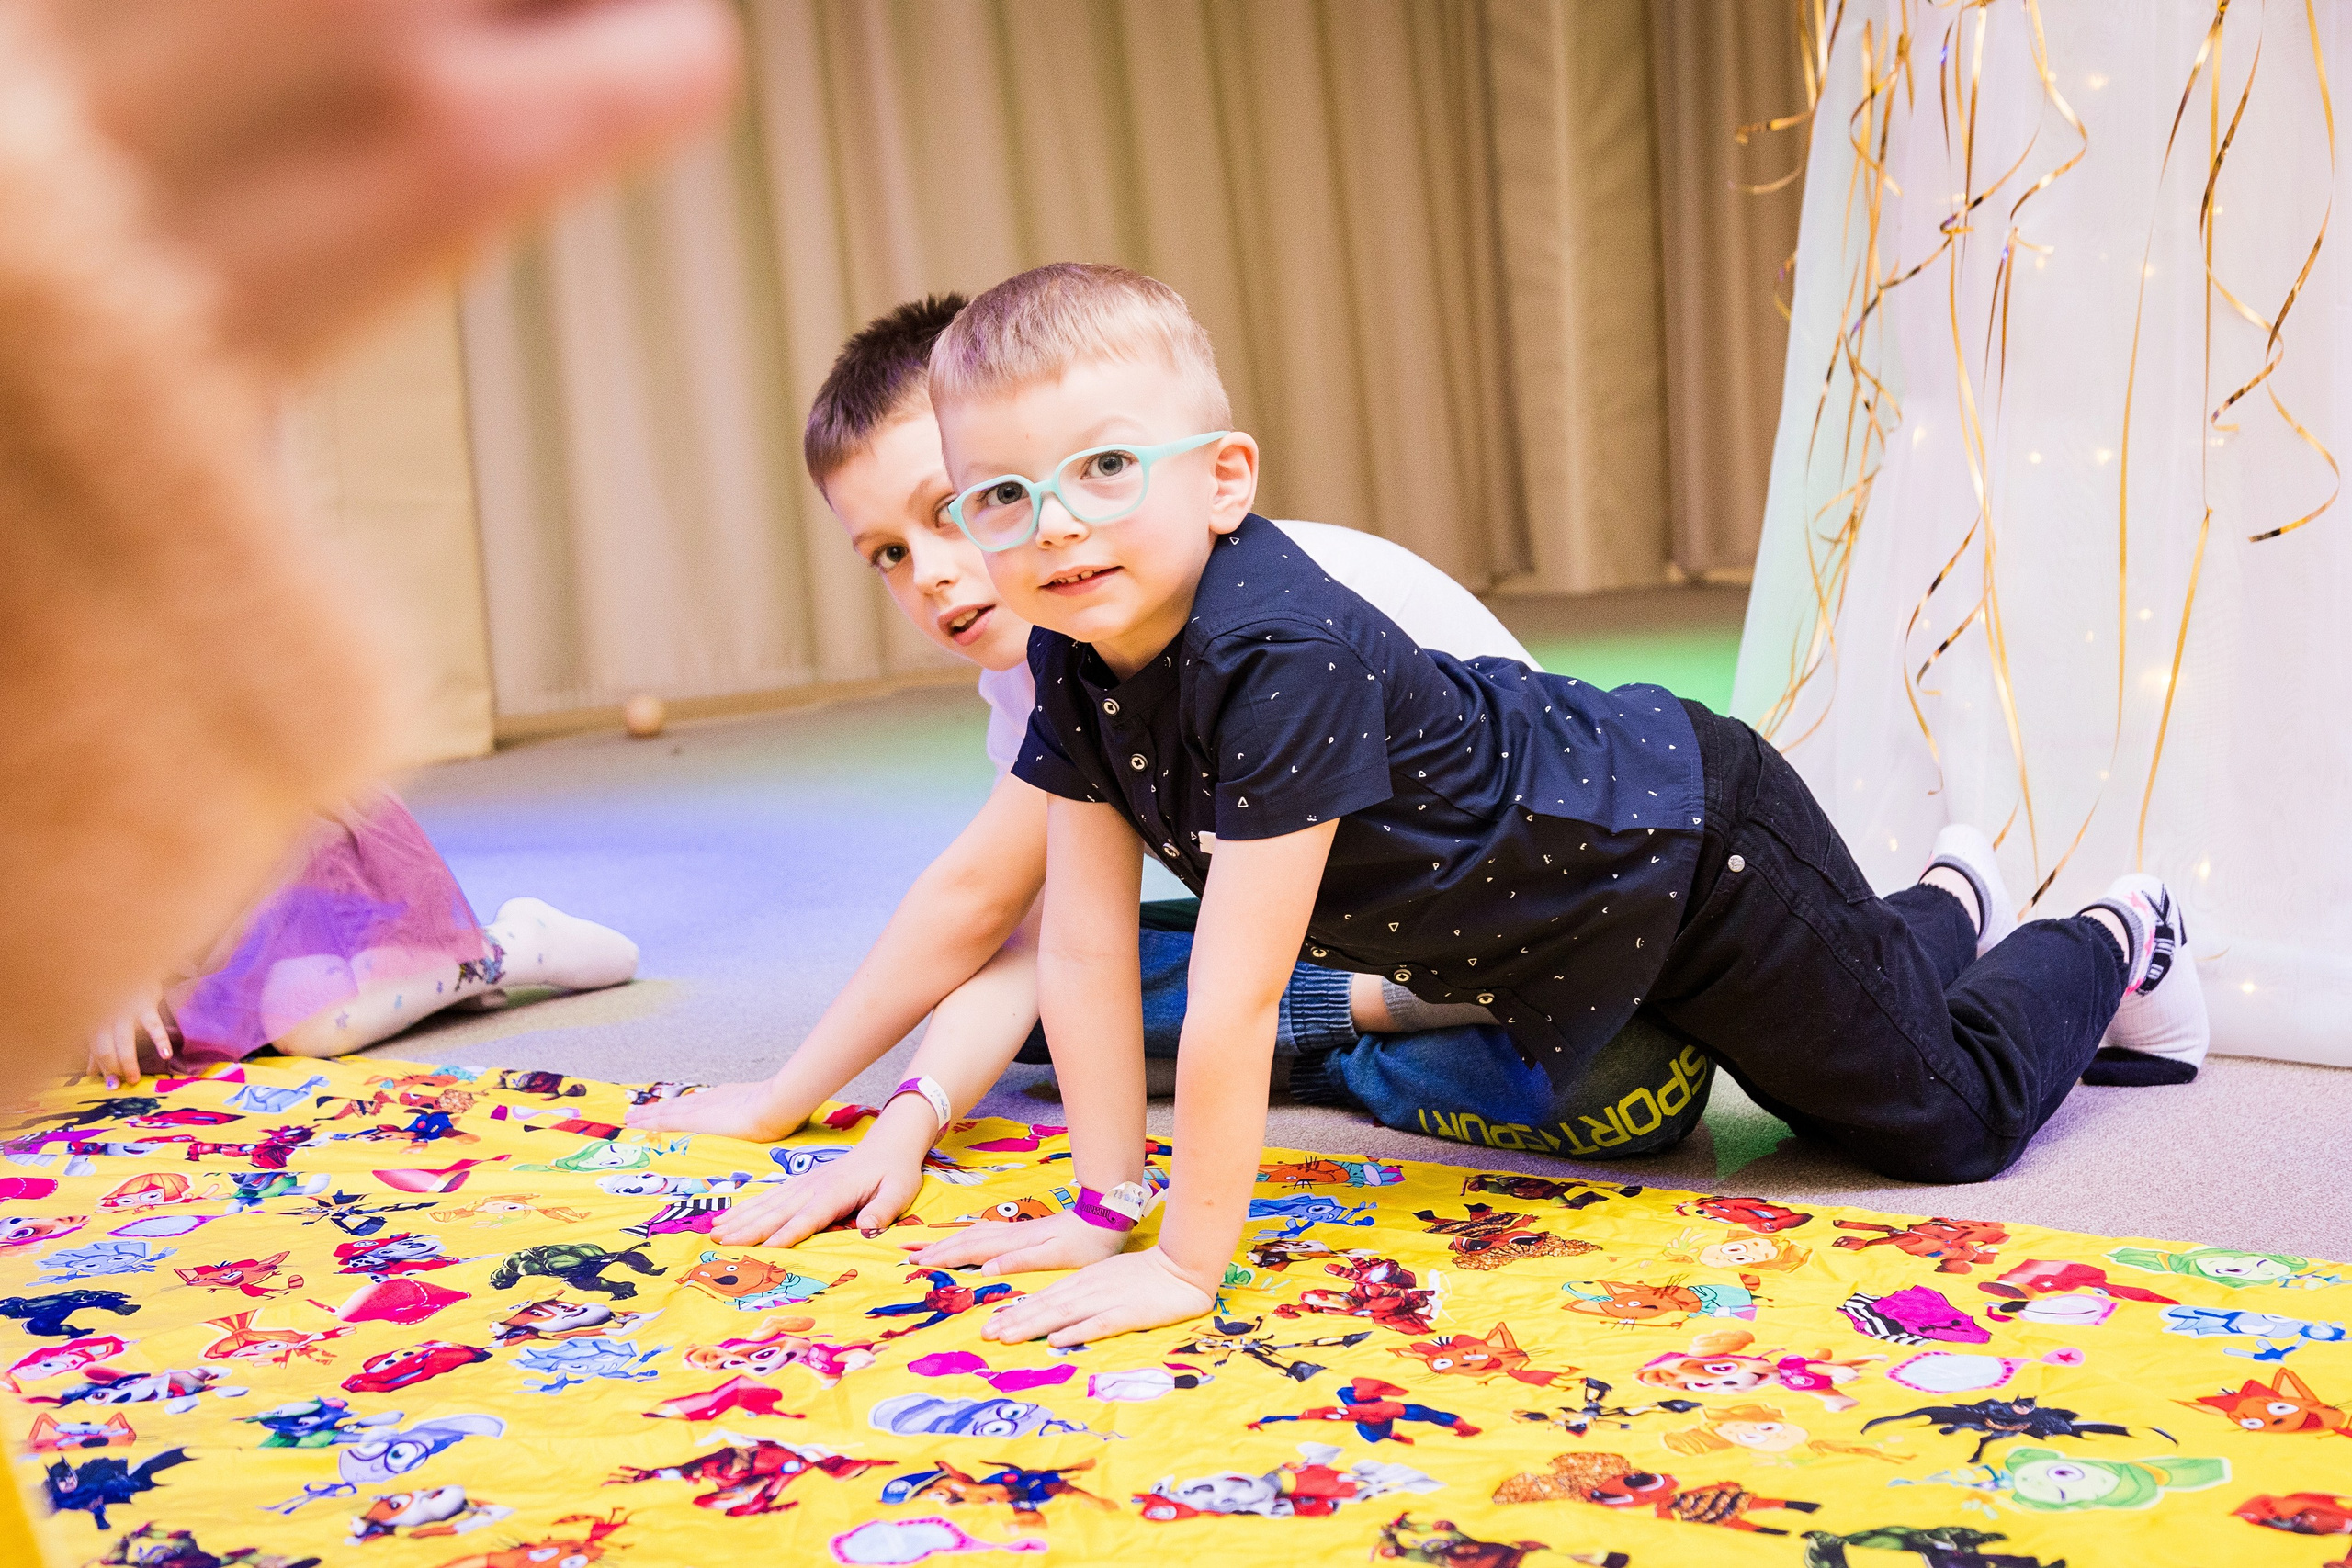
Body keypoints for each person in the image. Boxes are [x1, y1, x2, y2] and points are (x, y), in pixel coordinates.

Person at [903, 262, 2207, 1349]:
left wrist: (1185, 1262)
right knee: (1854, 1036)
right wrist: (1100, 1199)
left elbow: (1240, 997)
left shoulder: (1274, 654)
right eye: (1006, 494)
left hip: (1692, 855)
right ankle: (1942, 905)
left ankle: (2118, 933)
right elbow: (1079, 940)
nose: (1058, 526)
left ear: (1225, 478)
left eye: (1108, 467)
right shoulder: (1072, 651)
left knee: (1942, 1120)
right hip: (1572, 920)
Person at [630, 297, 1713, 1249]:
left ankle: (1315, 1029)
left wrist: (785, 1096)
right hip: (1315, 921)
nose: (938, 573)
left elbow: (965, 905)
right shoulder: (1050, 654)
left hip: (1529, 925)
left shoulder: (1247, 615)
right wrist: (902, 1123)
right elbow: (1033, 942)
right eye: (891, 554)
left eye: (954, 509)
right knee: (1054, 997)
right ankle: (1320, 1025)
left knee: (1617, 1083)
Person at [1, 0, 739, 1099]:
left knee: (315, 1025)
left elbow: (174, 687)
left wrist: (125, 939)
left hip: (256, 841)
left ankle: (496, 949)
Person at [87, 789, 639, 1088]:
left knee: (306, 1018)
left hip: (278, 836)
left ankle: (507, 949)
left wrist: (123, 965)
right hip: (164, 898)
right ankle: (422, 968)